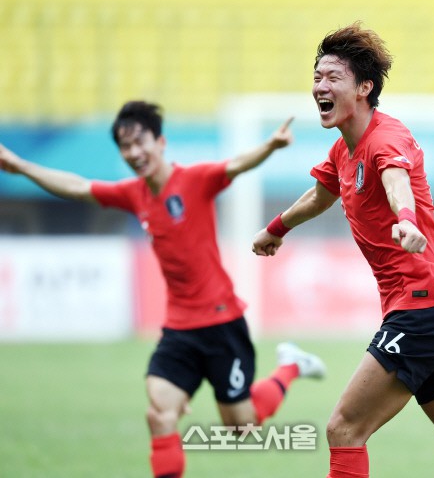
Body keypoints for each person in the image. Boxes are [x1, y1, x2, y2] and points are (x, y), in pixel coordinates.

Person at [0, 100, 327, 478]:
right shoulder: (133, 193)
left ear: (161, 142)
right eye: (126, 147)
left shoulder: (195, 179)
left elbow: (236, 165)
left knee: (242, 426)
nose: (134, 153)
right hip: (179, 330)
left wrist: (269, 146)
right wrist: (20, 166)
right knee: (159, 413)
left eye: (141, 142)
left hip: (222, 322)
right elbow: (76, 187)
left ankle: (290, 366)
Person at [252, 22, 434, 477]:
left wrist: (406, 221)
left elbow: (396, 181)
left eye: (332, 77)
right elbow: (319, 195)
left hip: (421, 309)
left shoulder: (385, 139)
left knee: (344, 428)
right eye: (317, 77)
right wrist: (275, 228)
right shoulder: (343, 148)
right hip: (431, 308)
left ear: (365, 87)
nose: (319, 87)